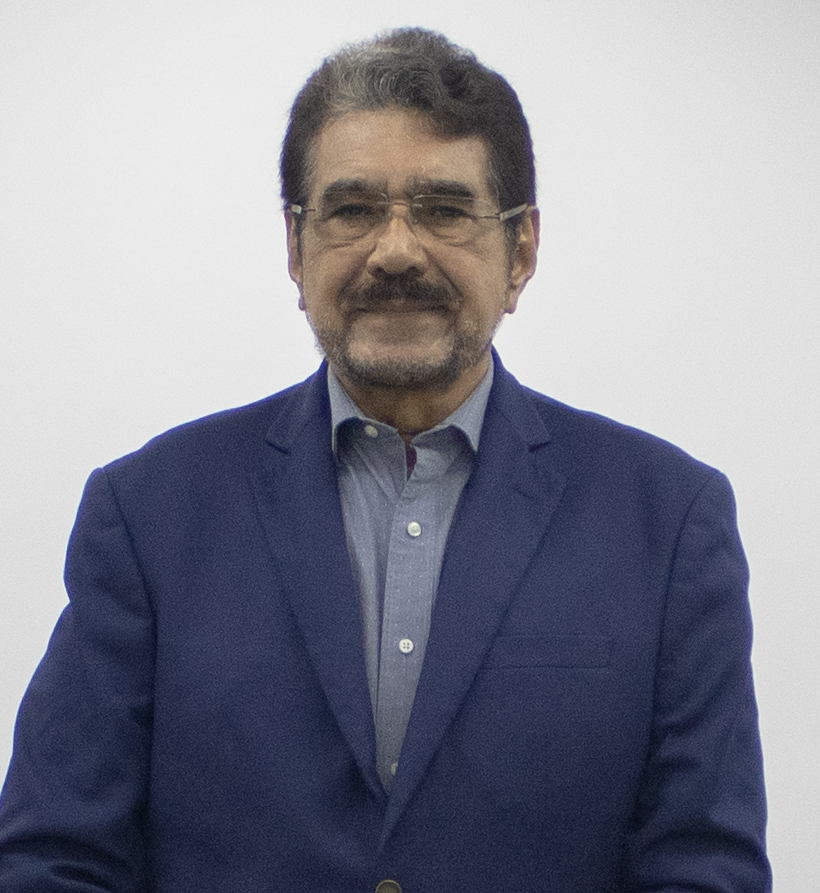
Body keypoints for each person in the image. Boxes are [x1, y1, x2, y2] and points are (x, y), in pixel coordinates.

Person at [0, 27, 770, 893]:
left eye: (444, 208)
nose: (396, 251)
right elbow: (55, 858)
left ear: (521, 251)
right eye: (353, 209)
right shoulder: (150, 515)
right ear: (295, 248)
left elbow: (703, 865)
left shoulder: (667, 524)